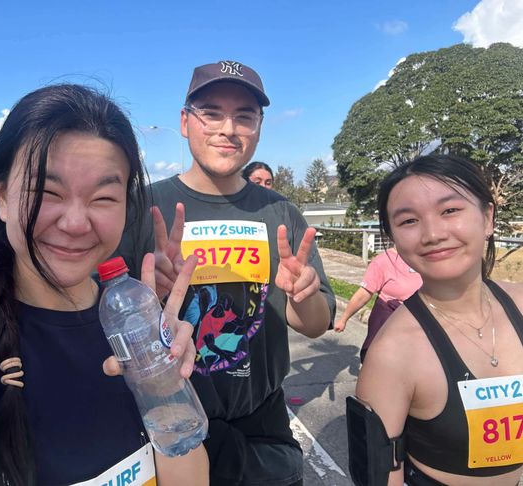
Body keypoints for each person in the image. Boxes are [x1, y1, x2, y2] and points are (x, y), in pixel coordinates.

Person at [0, 85, 208, 485]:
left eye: (104, 197)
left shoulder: (136, 325)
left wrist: (162, 385)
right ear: (1, 196)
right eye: (47, 192)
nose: (75, 222)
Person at [119, 60, 336, 486]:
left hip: (264, 431)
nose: (228, 128)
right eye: (212, 112)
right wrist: (150, 299)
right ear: (185, 122)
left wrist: (302, 294)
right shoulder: (141, 208)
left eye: (244, 116)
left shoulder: (280, 212)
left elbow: (315, 324)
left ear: (259, 127)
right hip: (170, 429)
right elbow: (107, 317)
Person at [353, 154, 523, 485]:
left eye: (449, 210)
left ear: (487, 218)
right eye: (408, 221)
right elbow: (377, 476)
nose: (432, 234)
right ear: (394, 241)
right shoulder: (392, 353)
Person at [334, 247, 422, 362]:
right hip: (388, 319)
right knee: (380, 361)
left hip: (420, 321)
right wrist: (343, 319)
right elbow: (363, 294)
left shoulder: (425, 257)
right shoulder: (383, 261)